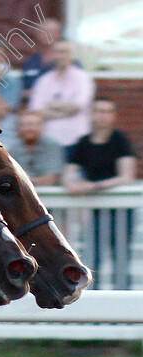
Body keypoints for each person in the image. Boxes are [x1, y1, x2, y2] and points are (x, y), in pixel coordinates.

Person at [63, 97, 136, 288]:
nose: (102, 116)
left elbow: (126, 176)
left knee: (121, 260)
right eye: (98, 111)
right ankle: (93, 304)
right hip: (94, 213)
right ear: (91, 114)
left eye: (106, 112)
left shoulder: (120, 141)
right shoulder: (83, 143)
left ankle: (123, 304)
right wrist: (73, 184)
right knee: (92, 261)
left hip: (121, 212)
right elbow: (68, 176)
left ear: (113, 116)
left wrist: (93, 187)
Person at [28, 39, 95, 147]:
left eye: (64, 52)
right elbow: (35, 111)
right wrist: (66, 111)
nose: (60, 56)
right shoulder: (44, 80)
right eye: (57, 52)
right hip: (49, 141)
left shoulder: (83, 78)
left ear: (72, 55)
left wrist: (51, 105)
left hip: (77, 140)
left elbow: (78, 106)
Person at [7, 110, 64, 186]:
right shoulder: (13, 149)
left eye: (32, 125)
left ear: (42, 127)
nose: (28, 129)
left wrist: (24, 181)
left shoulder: (52, 146)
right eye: (24, 125)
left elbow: (50, 180)